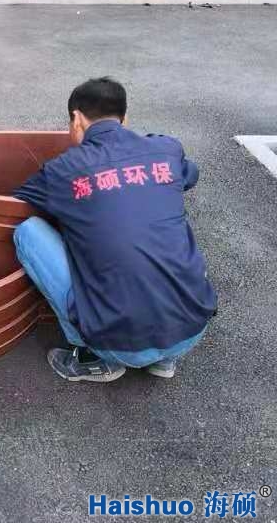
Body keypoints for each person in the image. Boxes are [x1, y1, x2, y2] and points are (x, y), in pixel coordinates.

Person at [12, 77, 217, 382]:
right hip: (191, 332)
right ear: (125, 118)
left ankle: (91, 357)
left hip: (118, 346)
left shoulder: (64, 169)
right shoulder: (166, 149)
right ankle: (165, 360)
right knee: (164, 224)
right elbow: (189, 175)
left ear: (76, 119)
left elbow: (17, 200)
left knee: (28, 232)